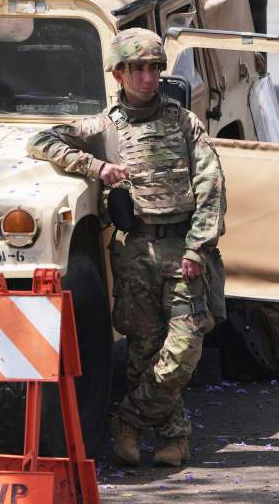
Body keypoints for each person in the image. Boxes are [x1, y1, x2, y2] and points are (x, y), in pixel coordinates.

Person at [26, 28, 225, 467]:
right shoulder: (103, 127)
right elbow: (40, 142)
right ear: (118, 74)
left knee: (186, 344)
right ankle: (174, 437)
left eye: (155, 68)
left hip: (182, 249)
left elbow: (212, 188)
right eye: (138, 69)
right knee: (142, 349)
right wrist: (96, 165)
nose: (149, 78)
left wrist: (198, 249)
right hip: (135, 251)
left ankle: (129, 421)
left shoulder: (183, 122)